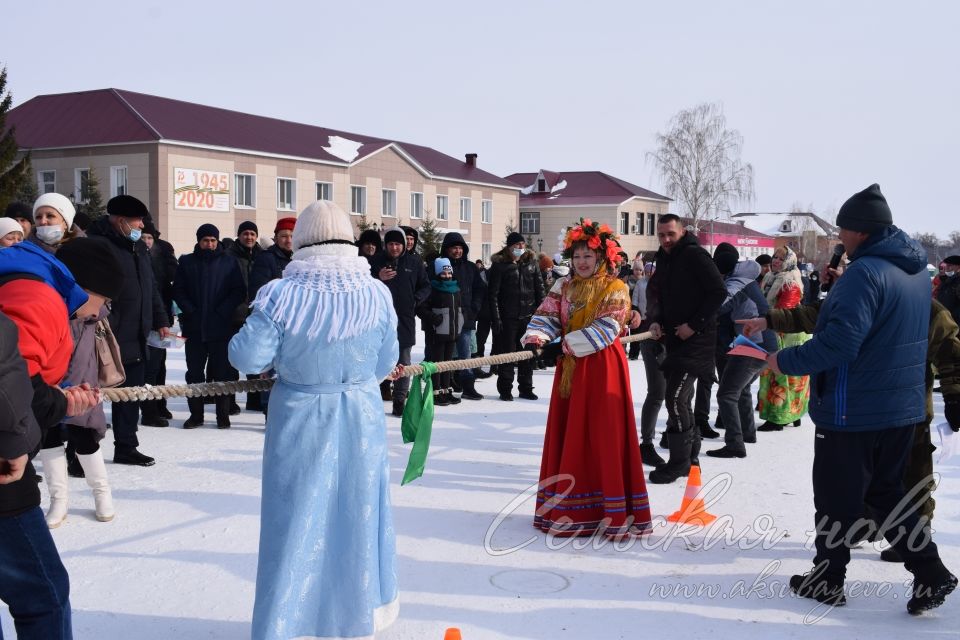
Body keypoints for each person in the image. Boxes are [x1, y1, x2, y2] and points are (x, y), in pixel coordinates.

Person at [768, 184, 956, 613]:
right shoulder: (912, 274)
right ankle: (930, 573)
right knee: (888, 492)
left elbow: (839, 344)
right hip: (900, 407)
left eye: (843, 230)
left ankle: (827, 579)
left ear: (860, 232)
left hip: (853, 408)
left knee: (835, 497)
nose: (839, 238)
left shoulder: (865, 274)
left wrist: (783, 361)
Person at [229, 200, 400, 640]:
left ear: (301, 239)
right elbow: (387, 360)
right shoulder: (376, 292)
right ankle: (353, 620)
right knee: (357, 516)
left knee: (296, 519)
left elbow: (247, 357)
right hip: (361, 416)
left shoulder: (281, 293)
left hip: (302, 416)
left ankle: (286, 624)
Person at [522, 218, 652, 537]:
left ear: (601, 258)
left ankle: (611, 511)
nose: (581, 262)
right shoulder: (563, 285)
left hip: (602, 366)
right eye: (577, 256)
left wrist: (563, 344)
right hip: (571, 369)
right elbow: (547, 314)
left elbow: (608, 327)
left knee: (603, 434)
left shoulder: (615, 288)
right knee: (571, 434)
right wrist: (537, 337)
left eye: (588, 256)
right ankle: (568, 508)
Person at [0, 243, 100, 640]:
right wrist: (13, 443)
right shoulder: (38, 296)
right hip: (6, 469)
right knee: (42, 594)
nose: (95, 314)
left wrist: (57, 399)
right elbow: (14, 381)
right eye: (102, 302)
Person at [38, 238, 124, 526]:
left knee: (84, 438)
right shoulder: (50, 306)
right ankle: (58, 499)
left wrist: (73, 392)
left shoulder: (89, 315)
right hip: (49, 385)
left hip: (82, 385)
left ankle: (102, 492)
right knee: (48, 438)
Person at [86, 194, 171, 466]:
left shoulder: (139, 249)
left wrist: (160, 318)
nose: (141, 226)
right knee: (91, 396)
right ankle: (80, 452)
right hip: (105, 336)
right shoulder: (98, 246)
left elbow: (151, 287)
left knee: (130, 394)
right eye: (137, 221)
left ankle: (126, 446)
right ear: (120, 221)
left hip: (137, 335)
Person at [645, 214, 726, 484]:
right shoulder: (664, 258)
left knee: (675, 398)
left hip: (697, 341)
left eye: (671, 234)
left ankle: (679, 463)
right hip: (674, 340)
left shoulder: (695, 255)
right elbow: (657, 294)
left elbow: (718, 292)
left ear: (682, 232)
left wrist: (693, 325)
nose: (666, 240)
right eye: (662, 235)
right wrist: (655, 320)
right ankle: (690, 458)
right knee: (681, 399)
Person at [705, 243, 777, 458]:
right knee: (741, 389)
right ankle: (747, 433)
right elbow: (726, 308)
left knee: (727, 394)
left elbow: (719, 303)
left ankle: (735, 444)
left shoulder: (737, 281)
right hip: (760, 341)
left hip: (755, 342)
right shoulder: (742, 280)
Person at [173, 224, 246, 429]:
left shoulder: (229, 262)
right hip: (194, 329)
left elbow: (238, 291)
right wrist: (190, 310)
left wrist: (223, 311)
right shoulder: (187, 262)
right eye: (206, 240)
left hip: (221, 328)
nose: (210, 244)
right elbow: (178, 290)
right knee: (195, 374)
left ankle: (223, 415)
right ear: (199, 241)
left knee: (223, 373)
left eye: (213, 240)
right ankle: (196, 415)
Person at [370, 226, 431, 416]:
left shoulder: (414, 262)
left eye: (398, 244)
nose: (394, 248)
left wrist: (415, 300)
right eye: (391, 244)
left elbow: (426, 286)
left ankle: (399, 401)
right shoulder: (375, 262)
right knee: (376, 361)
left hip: (405, 320)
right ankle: (373, 397)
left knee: (403, 363)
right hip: (379, 322)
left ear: (404, 245)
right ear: (385, 245)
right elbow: (362, 285)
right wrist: (377, 277)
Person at [757, 245, 810, 431]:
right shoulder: (771, 278)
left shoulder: (790, 281)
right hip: (775, 330)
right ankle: (792, 415)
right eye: (775, 257)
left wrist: (766, 320)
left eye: (781, 258)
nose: (776, 261)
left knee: (782, 374)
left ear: (789, 261)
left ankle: (778, 418)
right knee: (779, 374)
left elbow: (784, 310)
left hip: (787, 333)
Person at [488, 231, 545, 401]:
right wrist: (496, 318)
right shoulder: (500, 266)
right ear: (509, 247)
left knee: (528, 355)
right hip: (508, 318)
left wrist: (540, 315)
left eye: (522, 244)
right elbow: (493, 295)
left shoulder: (531, 264)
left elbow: (540, 290)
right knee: (508, 355)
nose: (520, 247)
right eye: (516, 245)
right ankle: (505, 388)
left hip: (528, 317)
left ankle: (526, 387)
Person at [435, 232, 486, 400]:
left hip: (467, 315)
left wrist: (475, 308)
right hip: (445, 317)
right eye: (453, 248)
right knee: (445, 354)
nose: (457, 251)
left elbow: (480, 289)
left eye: (459, 248)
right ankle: (444, 386)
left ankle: (468, 385)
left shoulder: (471, 267)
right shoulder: (440, 265)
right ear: (446, 249)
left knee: (466, 354)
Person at [139, 221, 178, 428]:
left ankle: (160, 403)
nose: (146, 241)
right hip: (145, 322)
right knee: (149, 369)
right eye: (143, 237)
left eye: (149, 238)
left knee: (160, 366)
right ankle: (148, 410)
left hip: (161, 320)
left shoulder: (160, 257)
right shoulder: (137, 258)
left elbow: (169, 282)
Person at [226, 221, 263, 411]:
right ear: (239, 235)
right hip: (234, 315)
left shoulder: (263, 256)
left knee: (255, 358)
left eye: (252, 234)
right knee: (232, 361)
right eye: (245, 233)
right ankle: (230, 401)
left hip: (256, 315)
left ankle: (254, 400)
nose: (249, 237)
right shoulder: (229, 256)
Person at [418, 257, 463, 406]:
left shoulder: (455, 288)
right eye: (443, 273)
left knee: (448, 363)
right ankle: (436, 391)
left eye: (449, 272)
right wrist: (433, 318)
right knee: (437, 363)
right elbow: (421, 307)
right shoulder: (432, 288)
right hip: (437, 333)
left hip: (452, 332)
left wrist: (462, 318)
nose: (447, 276)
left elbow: (459, 308)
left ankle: (446, 389)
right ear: (438, 274)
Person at [249, 217, 295, 300]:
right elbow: (258, 293)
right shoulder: (266, 258)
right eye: (284, 236)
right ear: (276, 239)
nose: (289, 240)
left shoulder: (300, 258)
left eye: (292, 236)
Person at [936, 254, 960, 325]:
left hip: (954, 322)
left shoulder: (957, 282)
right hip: (945, 320)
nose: (947, 268)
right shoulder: (949, 280)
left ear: (958, 267)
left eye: (950, 266)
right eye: (946, 266)